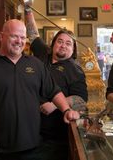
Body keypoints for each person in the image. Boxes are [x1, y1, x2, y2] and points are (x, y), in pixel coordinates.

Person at [0, 19, 80, 160]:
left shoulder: (36, 64)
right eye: (14, 36)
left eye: (22, 37)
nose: (19, 41)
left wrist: (66, 110)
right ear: (1, 36)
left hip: (34, 149)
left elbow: (54, 91)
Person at [24, 8, 88, 160]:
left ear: (73, 50)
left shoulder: (76, 70)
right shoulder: (43, 54)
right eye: (60, 41)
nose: (63, 45)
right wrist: (27, 10)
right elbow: (33, 34)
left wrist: (56, 104)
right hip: (29, 131)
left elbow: (81, 100)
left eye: (68, 43)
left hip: (55, 137)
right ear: (53, 44)